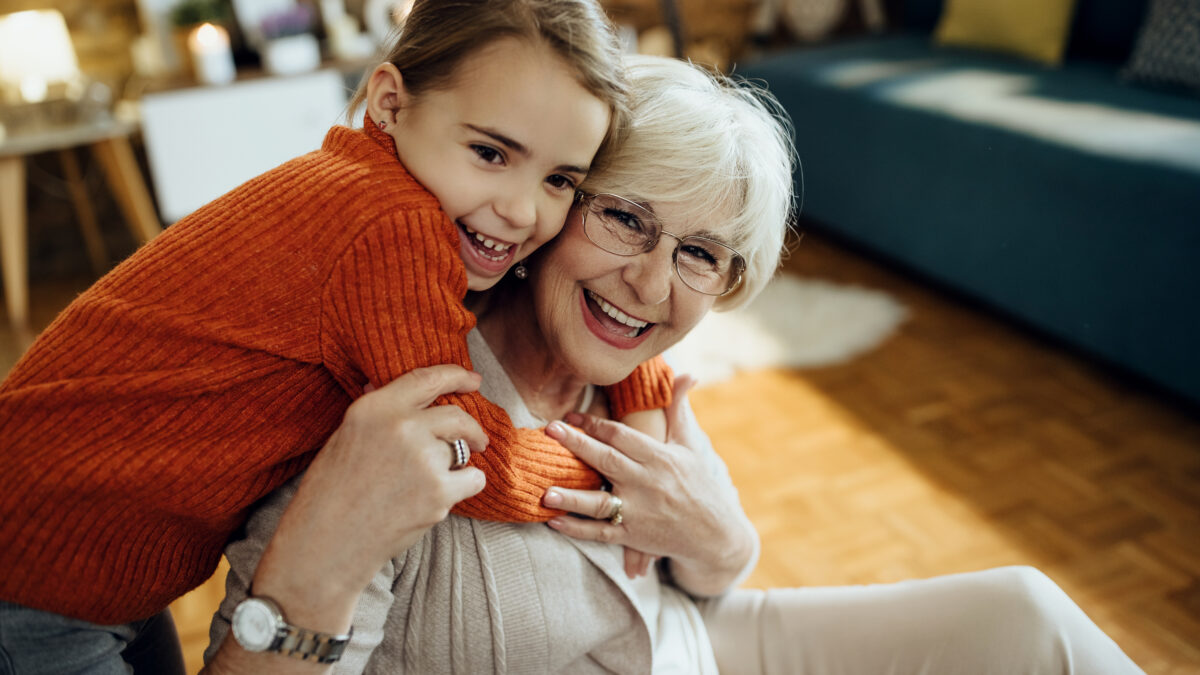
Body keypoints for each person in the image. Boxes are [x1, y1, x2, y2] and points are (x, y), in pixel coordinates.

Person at [204, 55, 1146, 673]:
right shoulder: (399, 383)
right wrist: (322, 546)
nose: (653, 283)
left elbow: (709, 576)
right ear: (556, 201)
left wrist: (722, 532)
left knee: (1027, 616)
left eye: (701, 253)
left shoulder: (636, 387)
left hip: (694, 646)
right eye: (626, 218)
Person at [0, 1, 676, 672]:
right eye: (490, 152)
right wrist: (616, 477)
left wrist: (640, 376)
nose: (522, 209)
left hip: (83, 564)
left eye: (560, 179)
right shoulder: (391, 225)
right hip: (39, 576)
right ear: (388, 102)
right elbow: (469, 451)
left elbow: (603, 284)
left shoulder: (379, 187)